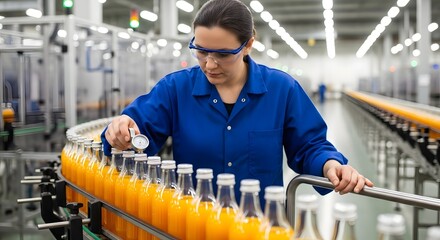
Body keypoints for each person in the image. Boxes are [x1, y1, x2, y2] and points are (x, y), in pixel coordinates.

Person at [101, 0, 373, 204]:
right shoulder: (175, 89)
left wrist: (330, 165)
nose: (209, 64)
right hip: (191, 220)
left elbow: (309, 145)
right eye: (201, 51)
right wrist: (120, 131)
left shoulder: (281, 89)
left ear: (248, 45)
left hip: (259, 221)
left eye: (222, 54)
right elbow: (137, 133)